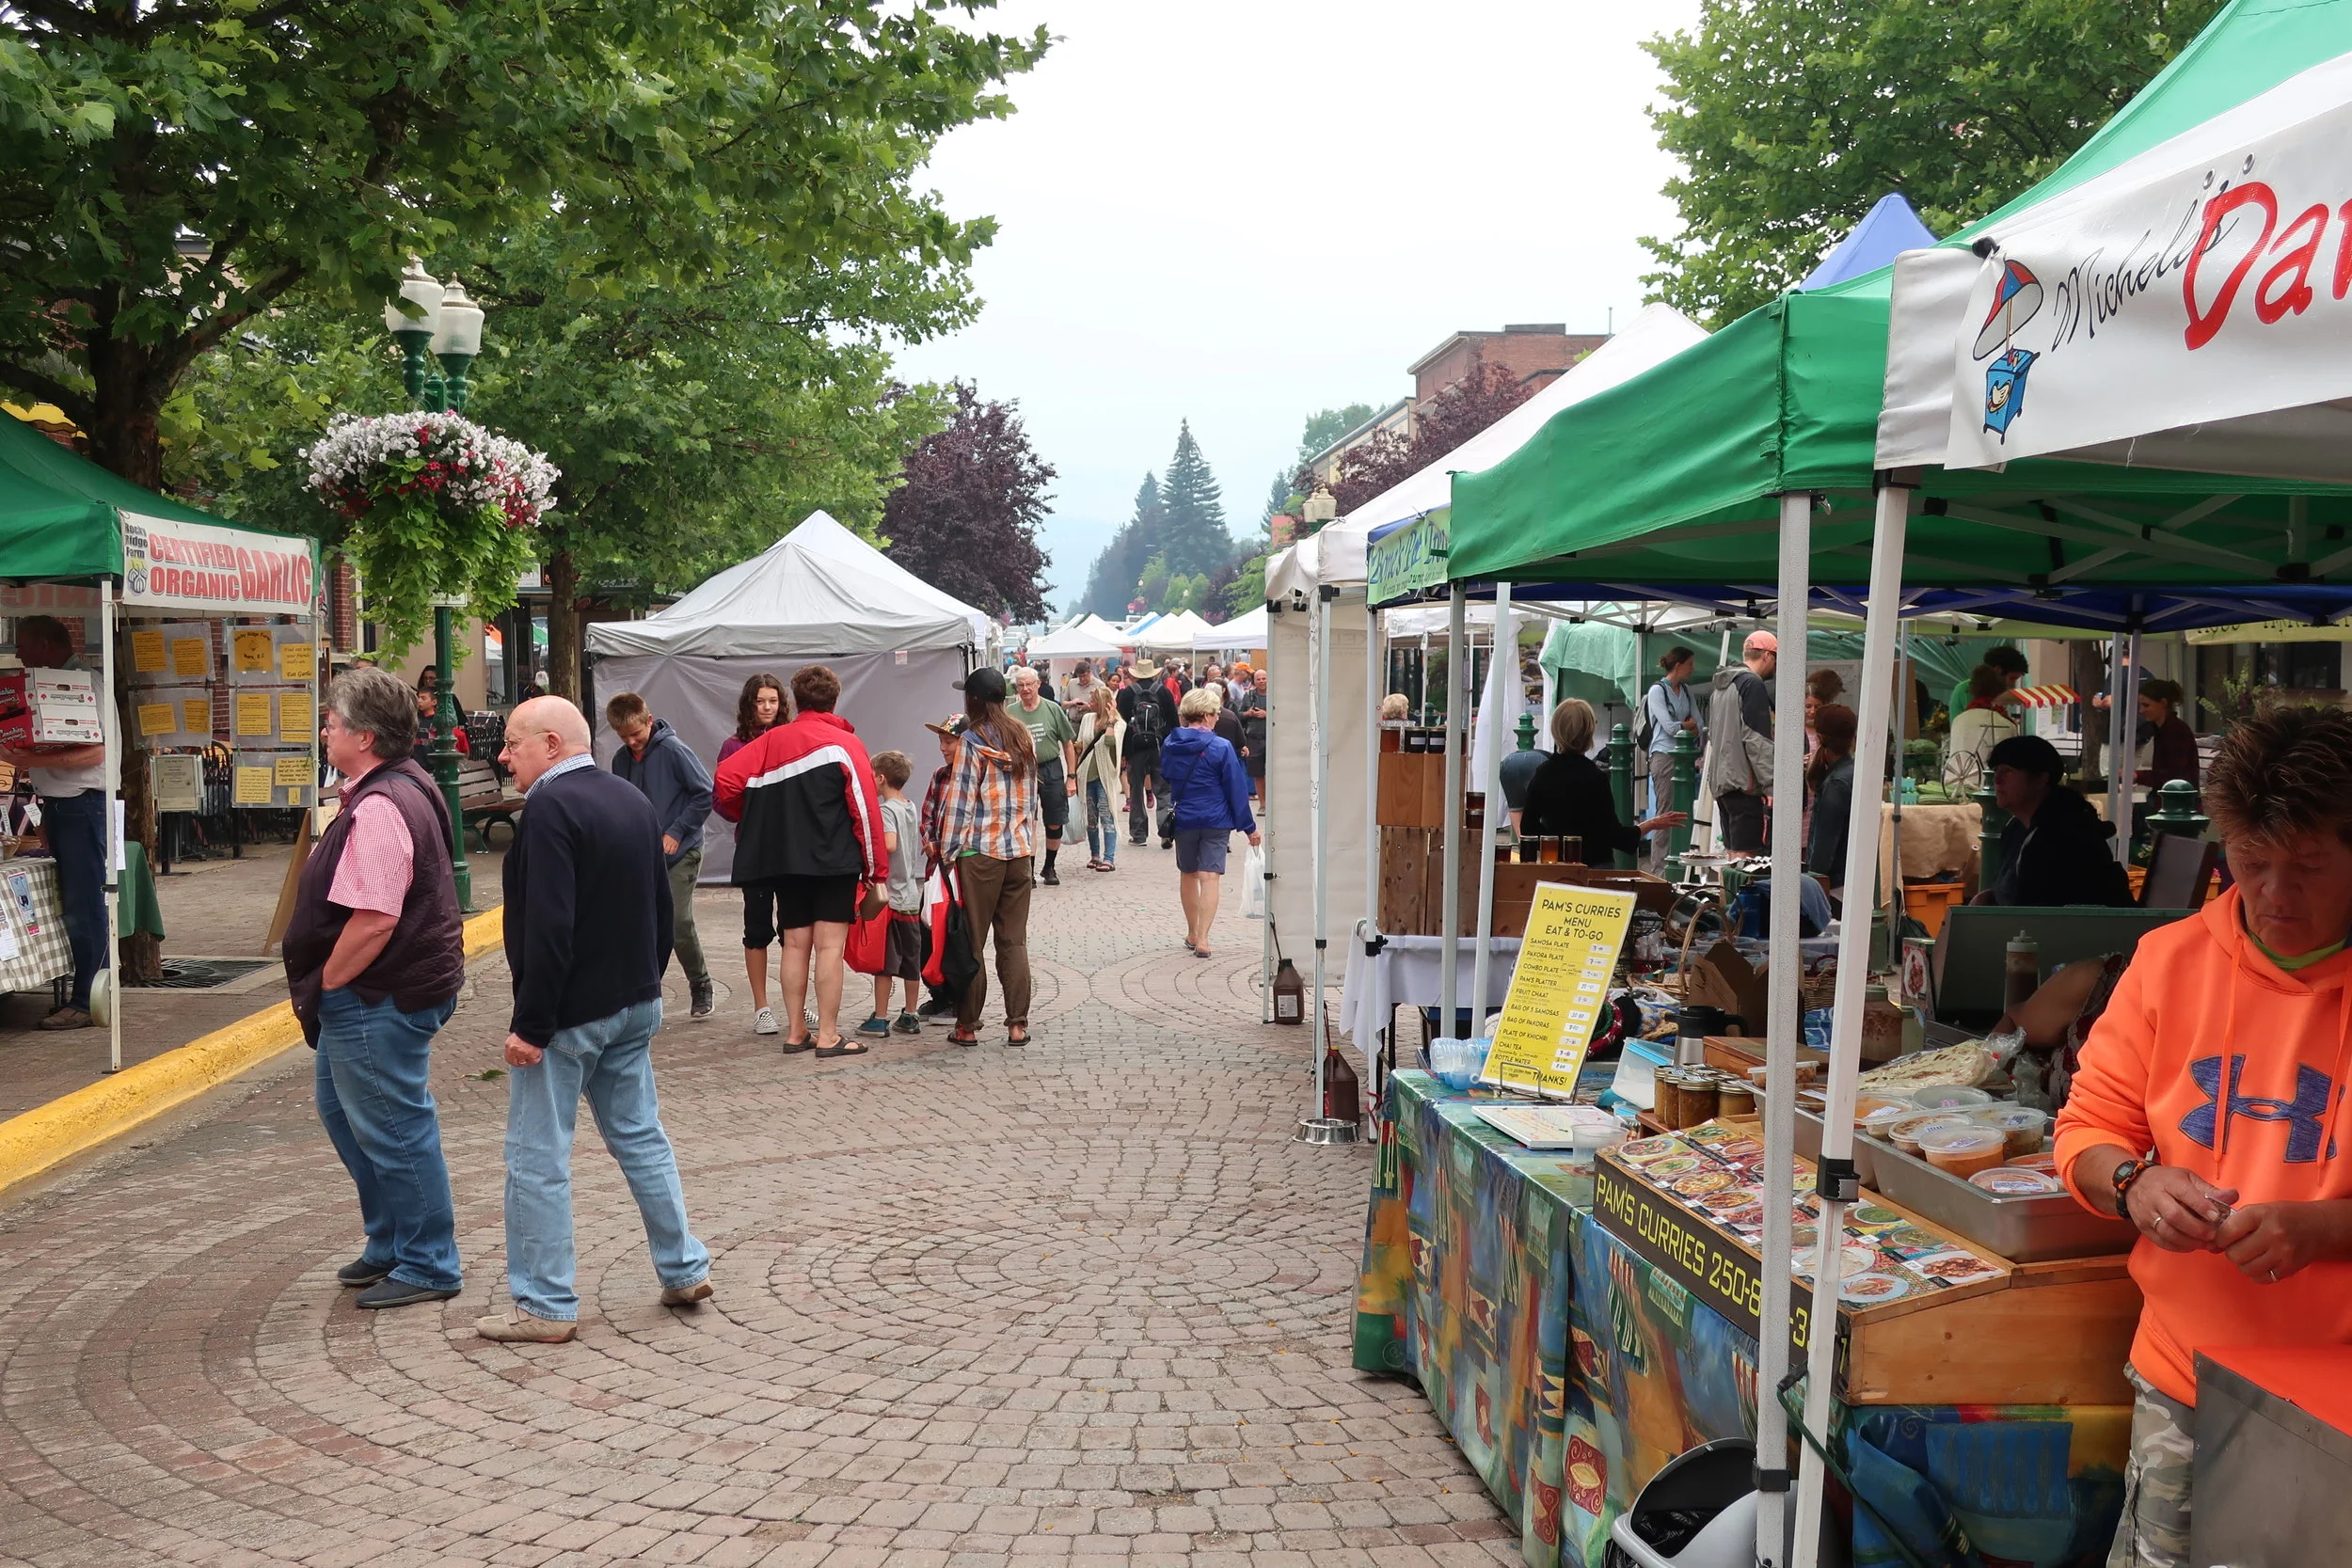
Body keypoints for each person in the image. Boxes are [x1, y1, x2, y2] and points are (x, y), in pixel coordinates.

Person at [2054, 705, 2352, 1568]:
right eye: (2252, 863)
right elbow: (2088, 1126)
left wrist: (2321, 1230)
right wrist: (2133, 1185)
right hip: (2184, 1377)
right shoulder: (2170, 960)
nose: (2274, 894)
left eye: (2307, 866)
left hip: (2339, 1390)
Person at [480, 696, 712, 1343]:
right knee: (641, 1136)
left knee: (536, 1155)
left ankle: (545, 1302)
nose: (504, 754)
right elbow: (661, 908)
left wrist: (531, 1024)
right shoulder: (629, 797)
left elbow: (549, 926)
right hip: (631, 1002)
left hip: (572, 1014)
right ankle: (683, 1264)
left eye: (513, 742)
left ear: (551, 743)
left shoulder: (550, 809)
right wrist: (648, 982)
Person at [282, 667, 467, 1310]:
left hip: (376, 994)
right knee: (347, 1113)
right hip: (382, 991)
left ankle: (428, 1260)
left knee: (392, 1125)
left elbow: (376, 918)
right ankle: (392, 1237)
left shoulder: (384, 802)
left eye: (331, 719)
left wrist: (327, 982)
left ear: (364, 736)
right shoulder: (394, 786)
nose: (324, 726)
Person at [713, 665, 885, 1057]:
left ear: (795, 699)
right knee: (829, 949)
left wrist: (755, 817)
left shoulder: (772, 741)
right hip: (832, 861)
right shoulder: (844, 743)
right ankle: (827, 1036)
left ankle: (795, 1033)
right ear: (835, 699)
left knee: (794, 945)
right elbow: (864, 808)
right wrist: (877, 870)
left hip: (783, 860)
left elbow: (724, 780)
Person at [5, 616, 113, 1030]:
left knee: (86, 905)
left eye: (24, 644)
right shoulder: (55, 685)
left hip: (83, 803)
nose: (18, 654)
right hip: (62, 802)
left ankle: (87, 1001)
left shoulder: (84, 683)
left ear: (48, 646)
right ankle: (83, 994)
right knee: (74, 903)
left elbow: (95, 753)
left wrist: (30, 761)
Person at [938, 668, 1038, 1047]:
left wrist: (948, 854)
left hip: (980, 853)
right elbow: (1032, 799)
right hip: (1019, 852)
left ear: (974, 700)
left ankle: (967, 1026)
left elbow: (960, 804)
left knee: (972, 941)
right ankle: (1017, 1025)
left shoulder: (971, 740)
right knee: (1014, 942)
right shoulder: (1022, 734)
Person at [605, 691, 715, 1020]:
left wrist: (677, 831)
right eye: (624, 737)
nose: (632, 742)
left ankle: (701, 983)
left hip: (683, 851)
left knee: (677, 921)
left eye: (636, 734)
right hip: (643, 855)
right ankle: (644, 992)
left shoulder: (674, 751)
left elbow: (705, 793)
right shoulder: (620, 761)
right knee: (641, 923)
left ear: (649, 721)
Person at [1971, 735, 2134, 907]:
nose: (1997, 781)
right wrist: (1990, 897)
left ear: (2042, 778)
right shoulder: (2016, 827)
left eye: (2008, 771)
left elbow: (2038, 912)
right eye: (1996, 770)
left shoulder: (2062, 836)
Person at [1520, 699, 1685, 863]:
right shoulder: (1595, 777)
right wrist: (1652, 824)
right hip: (1595, 866)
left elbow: (1528, 828)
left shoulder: (1544, 773)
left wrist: (1556, 844)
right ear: (1588, 733)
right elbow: (1615, 836)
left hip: (1556, 865)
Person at [1162, 687, 1259, 958]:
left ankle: (1192, 931)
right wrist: (1249, 827)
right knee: (1210, 876)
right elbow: (1236, 789)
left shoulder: (1171, 743)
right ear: (1205, 715)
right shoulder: (1221, 746)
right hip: (1216, 817)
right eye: (1215, 713)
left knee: (1188, 873)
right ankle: (1204, 938)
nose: (1217, 717)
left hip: (1185, 817)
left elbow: (1167, 774)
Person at [716, 673, 787, 1037]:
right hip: (756, 850)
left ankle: (797, 1000)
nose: (766, 707)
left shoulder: (791, 740)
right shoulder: (733, 746)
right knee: (756, 930)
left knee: (795, 930)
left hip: (793, 851)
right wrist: (750, 813)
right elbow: (721, 798)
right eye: (760, 701)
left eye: (772, 701)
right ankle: (762, 1007)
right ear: (749, 704)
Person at [856, 750, 926, 1039]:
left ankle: (880, 1017)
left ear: (881, 778)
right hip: (911, 893)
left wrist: (868, 850)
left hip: (892, 896)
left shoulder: (886, 811)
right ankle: (910, 1014)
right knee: (912, 959)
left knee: (884, 961)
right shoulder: (909, 806)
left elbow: (891, 844)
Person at [1702, 630, 1777, 852]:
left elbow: (1712, 736)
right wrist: (1772, 785)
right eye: (1776, 658)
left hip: (1723, 783)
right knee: (1746, 860)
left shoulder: (1721, 687)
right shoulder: (1752, 684)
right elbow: (1757, 741)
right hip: (1744, 785)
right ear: (1767, 656)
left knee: (1732, 856)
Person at [914, 717, 964, 1022]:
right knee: (928, 928)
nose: (943, 747)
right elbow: (927, 813)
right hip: (937, 869)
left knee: (954, 933)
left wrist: (954, 852)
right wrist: (931, 841)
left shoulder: (975, 776)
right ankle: (938, 993)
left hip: (962, 871)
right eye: (941, 741)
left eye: (949, 741)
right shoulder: (940, 776)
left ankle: (957, 998)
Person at [1009, 666, 1077, 885]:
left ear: (1038, 684)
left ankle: (1049, 868)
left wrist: (1071, 777)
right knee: (1027, 821)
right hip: (1023, 772)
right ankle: (1028, 872)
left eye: (1029, 684)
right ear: (1016, 688)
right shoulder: (1010, 713)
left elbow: (1068, 744)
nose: (1025, 689)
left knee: (1054, 821)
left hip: (1051, 768)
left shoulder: (1052, 709)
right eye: (1021, 686)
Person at [1641, 647, 1702, 869]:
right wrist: (1687, 726)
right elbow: (1668, 727)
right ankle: (1659, 867)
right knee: (1665, 811)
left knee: (1685, 809)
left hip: (1684, 758)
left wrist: (1686, 727)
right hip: (1664, 755)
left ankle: (1681, 861)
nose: (1692, 669)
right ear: (1678, 665)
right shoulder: (1657, 691)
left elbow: (1700, 723)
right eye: (1690, 664)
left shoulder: (1686, 690)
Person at [1119, 659, 1179, 847]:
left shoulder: (1127, 693)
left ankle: (1138, 835)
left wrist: (1122, 752)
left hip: (1134, 749)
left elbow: (1120, 724)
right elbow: (1174, 722)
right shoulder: (1163, 692)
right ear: (1154, 674)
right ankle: (1165, 832)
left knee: (1136, 791)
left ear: (1135, 674)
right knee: (1163, 791)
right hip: (1160, 748)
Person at [1804, 704, 1858, 895]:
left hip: (1836, 889)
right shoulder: (1856, 773)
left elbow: (1823, 853)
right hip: (1855, 880)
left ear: (1819, 738)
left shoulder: (1835, 784)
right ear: (1853, 738)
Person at [1944, 663, 2023, 792]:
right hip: (1988, 788)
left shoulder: (1959, 720)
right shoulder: (2006, 723)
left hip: (1953, 785)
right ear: (2000, 691)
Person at [1073, 684, 1124, 873]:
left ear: (1103, 703)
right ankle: (1095, 855)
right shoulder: (1087, 719)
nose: (1090, 703)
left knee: (1107, 816)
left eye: (1093, 701)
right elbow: (1081, 743)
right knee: (1091, 817)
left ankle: (1109, 858)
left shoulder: (1119, 724)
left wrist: (1110, 722)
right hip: (1086, 774)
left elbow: (1111, 743)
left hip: (1105, 777)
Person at [2134, 678, 2199, 794]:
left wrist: (2138, 775)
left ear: (2163, 703)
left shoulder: (2176, 730)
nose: (2141, 710)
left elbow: (2174, 775)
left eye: (2146, 705)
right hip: (2169, 798)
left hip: (2180, 802)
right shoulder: (2160, 728)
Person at [1949, 643, 2027, 722]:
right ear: (1997, 670)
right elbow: (1981, 722)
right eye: (2012, 678)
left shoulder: (1990, 693)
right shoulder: (1968, 689)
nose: (2012, 684)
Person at [1237, 667, 1268, 806]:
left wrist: (1266, 714)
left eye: (1264, 678)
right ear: (1254, 681)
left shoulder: (1276, 694)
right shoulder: (1248, 696)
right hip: (1254, 739)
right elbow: (1239, 715)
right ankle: (1263, 804)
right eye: (1259, 679)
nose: (1262, 681)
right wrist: (1249, 713)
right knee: (1258, 773)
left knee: (1275, 772)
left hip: (1273, 738)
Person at [417, 684, 469, 753]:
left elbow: (461, 741)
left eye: (423, 698)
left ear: (434, 702)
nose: (419, 701)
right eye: (418, 698)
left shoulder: (441, 720)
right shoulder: (414, 719)